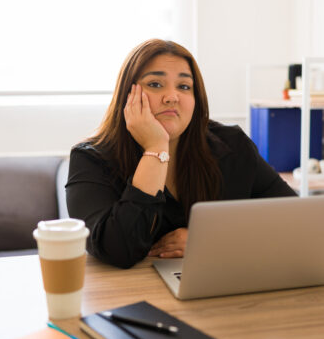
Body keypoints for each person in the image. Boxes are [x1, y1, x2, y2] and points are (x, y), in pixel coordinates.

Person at [66, 39, 296, 269]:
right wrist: (155, 149)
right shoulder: (91, 159)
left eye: (184, 87)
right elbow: (117, 250)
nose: (172, 96)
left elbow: (294, 219)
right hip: (133, 295)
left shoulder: (232, 146)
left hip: (224, 284)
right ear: (128, 95)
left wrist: (211, 240)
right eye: (155, 84)